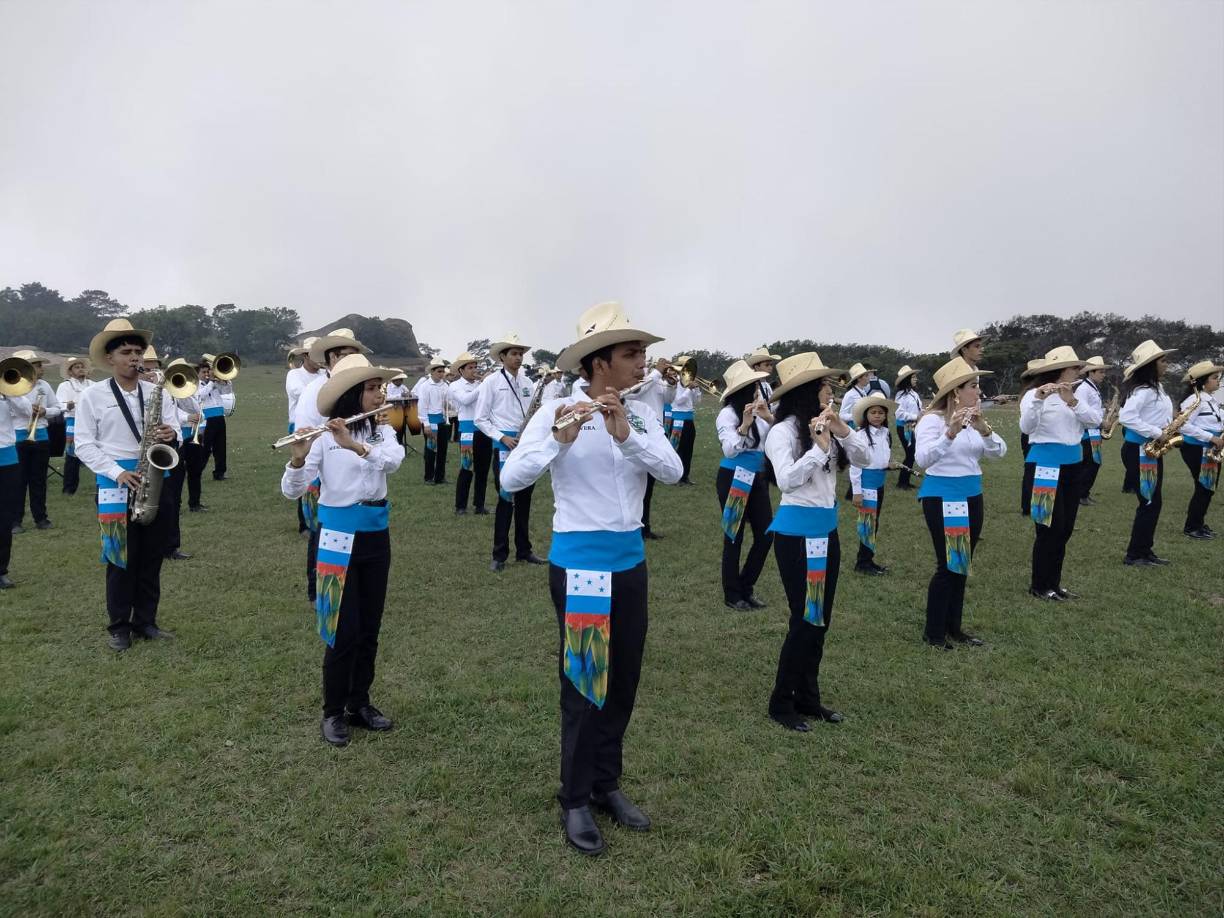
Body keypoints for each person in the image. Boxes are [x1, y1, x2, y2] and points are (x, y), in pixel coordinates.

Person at [501, 301, 682, 856]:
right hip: (580, 568)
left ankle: (606, 784)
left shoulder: (642, 412)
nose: (642, 364)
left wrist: (627, 434)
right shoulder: (555, 410)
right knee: (585, 685)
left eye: (643, 354)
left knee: (623, 679)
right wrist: (558, 439)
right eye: (632, 354)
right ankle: (575, 797)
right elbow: (511, 479)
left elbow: (672, 473)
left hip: (630, 565)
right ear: (598, 362)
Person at [282, 354, 404, 747]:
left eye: (378, 387)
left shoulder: (382, 430)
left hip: (375, 536)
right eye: (371, 388)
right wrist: (298, 457)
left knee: (370, 626)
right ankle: (333, 711)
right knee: (341, 629)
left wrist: (355, 446)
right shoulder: (322, 434)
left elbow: (394, 463)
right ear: (353, 393)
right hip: (336, 539)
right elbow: (293, 490)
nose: (378, 393)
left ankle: (359, 703)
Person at [763, 352, 870, 732]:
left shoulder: (829, 423)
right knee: (804, 620)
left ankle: (808, 698)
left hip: (826, 532)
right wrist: (818, 448)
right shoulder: (783, 432)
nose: (831, 391)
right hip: (795, 534)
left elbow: (867, 457)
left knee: (819, 619)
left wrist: (841, 430)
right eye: (826, 386)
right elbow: (787, 480)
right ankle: (781, 701)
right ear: (809, 391)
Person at [73, 319, 179, 651]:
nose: (135, 358)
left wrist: (171, 433)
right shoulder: (93, 396)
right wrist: (117, 471)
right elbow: (83, 444)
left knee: (151, 557)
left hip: (155, 479)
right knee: (120, 558)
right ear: (109, 359)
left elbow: (175, 427)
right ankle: (119, 626)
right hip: (114, 483)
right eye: (127, 352)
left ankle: (145, 621)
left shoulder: (157, 391)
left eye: (138, 352)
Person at [914, 357, 1007, 649]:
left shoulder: (973, 420)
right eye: (973, 386)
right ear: (955, 392)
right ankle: (934, 632)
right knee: (948, 565)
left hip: (971, 494)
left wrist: (985, 430)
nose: (978, 392)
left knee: (962, 564)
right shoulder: (932, 420)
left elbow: (998, 453)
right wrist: (949, 433)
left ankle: (954, 627)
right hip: (944, 496)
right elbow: (923, 459)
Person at [294, 328, 371, 601]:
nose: (353, 361)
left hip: (354, 467)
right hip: (321, 468)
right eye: (347, 355)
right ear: (333, 357)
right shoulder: (313, 390)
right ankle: (317, 590)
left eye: (356, 355)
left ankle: (352, 584)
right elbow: (306, 433)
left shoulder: (360, 388)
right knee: (320, 530)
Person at [1019, 347, 1098, 601]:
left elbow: (1095, 420)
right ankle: (1040, 585)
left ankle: (1055, 584)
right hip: (1044, 467)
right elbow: (1027, 427)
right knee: (1048, 529)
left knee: (1065, 528)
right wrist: (1039, 400)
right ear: (1060, 370)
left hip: (1073, 466)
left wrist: (1072, 402)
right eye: (1075, 368)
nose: (1079, 372)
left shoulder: (1073, 395)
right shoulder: (1034, 394)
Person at [475, 333, 545, 571]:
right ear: (502, 357)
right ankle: (499, 554)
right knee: (506, 498)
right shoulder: (490, 382)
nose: (518, 358)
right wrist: (502, 437)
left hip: (526, 443)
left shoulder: (528, 383)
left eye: (520, 354)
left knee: (525, 498)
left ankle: (524, 551)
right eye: (513, 354)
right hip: (504, 445)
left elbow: (532, 414)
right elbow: (480, 419)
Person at [715, 360, 774, 610]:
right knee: (733, 537)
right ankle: (732, 594)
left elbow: (778, 438)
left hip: (758, 476)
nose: (757, 390)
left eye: (757, 385)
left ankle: (746, 586)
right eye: (753, 386)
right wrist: (744, 425)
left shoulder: (762, 410)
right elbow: (729, 450)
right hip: (734, 477)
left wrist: (768, 417)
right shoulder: (727, 414)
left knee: (765, 535)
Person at [1118, 340, 1177, 566]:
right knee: (1149, 502)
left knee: (1153, 501)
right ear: (1151, 365)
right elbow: (1126, 417)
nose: (1166, 365)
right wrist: (1156, 432)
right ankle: (1135, 554)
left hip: (1150, 450)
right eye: (1163, 361)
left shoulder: (1157, 388)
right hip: (1141, 450)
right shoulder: (1143, 391)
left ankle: (1145, 550)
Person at [8, 349, 62, 533]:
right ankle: (15, 520)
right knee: (18, 481)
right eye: (37, 365)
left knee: (39, 480)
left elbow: (58, 407)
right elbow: (15, 412)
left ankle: (41, 517)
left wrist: (45, 411)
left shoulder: (44, 386)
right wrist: (27, 408)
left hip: (41, 436)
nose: (42, 368)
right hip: (19, 437)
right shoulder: (10, 386)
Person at [848, 395, 897, 575]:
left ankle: (868, 559)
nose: (877, 416)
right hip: (866, 484)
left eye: (881, 413)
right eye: (873, 412)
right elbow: (855, 464)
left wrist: (888, 464)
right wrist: (857, 491)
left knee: (874, 523)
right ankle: (862, 563)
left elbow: (882, 456)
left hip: (879, 482)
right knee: (868, 524)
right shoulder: (860, 435)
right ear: (866, 415)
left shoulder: (885, 433)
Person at [157, 355, 199, 562]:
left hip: (176, 446)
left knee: (173, 498)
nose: (149, 370)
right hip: (153, 448)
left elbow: (192, 410)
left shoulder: (170, 391)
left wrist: (184, 390)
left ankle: (171, 546)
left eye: (152, 365)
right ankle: (154, 544)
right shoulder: (150, 391)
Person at [1177, 361, 1224, 540]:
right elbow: (1183, 426)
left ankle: (1199, 523)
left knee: (1209, 487)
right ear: (1202, 382)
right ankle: (1192, 527)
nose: (1217, 381)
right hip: (1197, 448)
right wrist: (1211, 438)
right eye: (1213, 378)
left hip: (1212, 448)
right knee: (1203, 487)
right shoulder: (1193, 401)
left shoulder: (1211, 400)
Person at [633, 355, 674, 539]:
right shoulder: (643, 379)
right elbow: (635, 392)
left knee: (649, 486)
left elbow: (668, 399)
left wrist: (672, 384)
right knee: (636, 485)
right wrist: (656, 372)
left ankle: (645, 526)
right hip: (638, 433)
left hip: (656, 432)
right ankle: (635, 526)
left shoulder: (656, 380)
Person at [449, 352, 486, 515]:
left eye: (475, 367)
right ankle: (460, 506)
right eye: (470, 368)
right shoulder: (455, 386)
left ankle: (480, 505)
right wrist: (484, 385)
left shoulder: (480, 384)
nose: (474, 370)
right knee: (466, 467)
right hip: (467, 430)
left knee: (483, 469)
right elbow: (465, 400)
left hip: (484, 428)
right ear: (461, 371)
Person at [1075, 355, 1113, 505]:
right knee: (1089, 464)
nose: (1104, 375)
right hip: (1087, 433)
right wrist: (1101, 421)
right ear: (1091, 372)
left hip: (1094, 432)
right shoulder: (1083, 389)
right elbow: (1081, 411)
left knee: (1094, 463)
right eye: (1101, 372)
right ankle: (1081, 495)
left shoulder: (1092, 387)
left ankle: (1084, 493)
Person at [55, 356, 92, 496]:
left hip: (90, 421)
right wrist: (67, 405)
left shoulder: (92, 384)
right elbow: (59, 404)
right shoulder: (65, 385)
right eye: (77, 367)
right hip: (73, 420)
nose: (81, 369)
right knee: (72, 454)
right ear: (70, 372)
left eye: (82, 366)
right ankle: (69, 488)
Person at [0, 380, 24, 588]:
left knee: (4, 517)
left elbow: (26, 411)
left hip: (6, 458)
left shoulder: (6, 392)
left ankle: (1, 571)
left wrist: (9, 392)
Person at [198, 354, 234, 481]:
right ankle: (196, 470)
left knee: (220, 447)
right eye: (203, 372)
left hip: (219, 416)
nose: (206, 374)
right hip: (207, 418)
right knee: (205, 448)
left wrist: (224, 380)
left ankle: (219, 472)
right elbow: (200, 395)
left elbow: (227, 391)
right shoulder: (197, 385)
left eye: (208, 371)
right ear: (198, 373)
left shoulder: (213, 383)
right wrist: (212, 382)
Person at [668, 355, 702, 484]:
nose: (687, 372)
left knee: (688, 450)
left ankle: (685, 476)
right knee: (677, 449)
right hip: (677, 421)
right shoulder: (675, 383)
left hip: (688, 420)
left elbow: (697, 401)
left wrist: (696, 389)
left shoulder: (688, 383)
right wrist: (688, 389)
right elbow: (678, 401)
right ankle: (674, 476)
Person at [418, 357, 451, 485]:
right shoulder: (425, 386)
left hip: (442, 421)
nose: (442, 374)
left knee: (443, 449)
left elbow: (448, 402)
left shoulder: (445, 385)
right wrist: (425, 424)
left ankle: (440, 477)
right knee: (431, 450)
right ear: (432, 372)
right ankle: (428, 477)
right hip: (431, 422)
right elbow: (422, 406)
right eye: (439, 371)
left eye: (443, 371)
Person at [893, 366, 922, 490]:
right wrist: (916, 416)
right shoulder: (901, 395)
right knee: (910, 454)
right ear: (907, 379)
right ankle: (902, 482)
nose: (916, 379)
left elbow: (917, 408)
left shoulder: (913, 393)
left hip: (913, 426)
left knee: (912, 454)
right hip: (904, 428)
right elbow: (898, 413)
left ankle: (905, 481)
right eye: (913, 377)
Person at [838, 362, 873, 427]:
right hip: (853, 427)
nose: (869, 377)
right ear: (859, 379)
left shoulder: (863, 392)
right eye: (866, 376)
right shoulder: (850, 394)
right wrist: (858, 416)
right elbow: (842, 415)